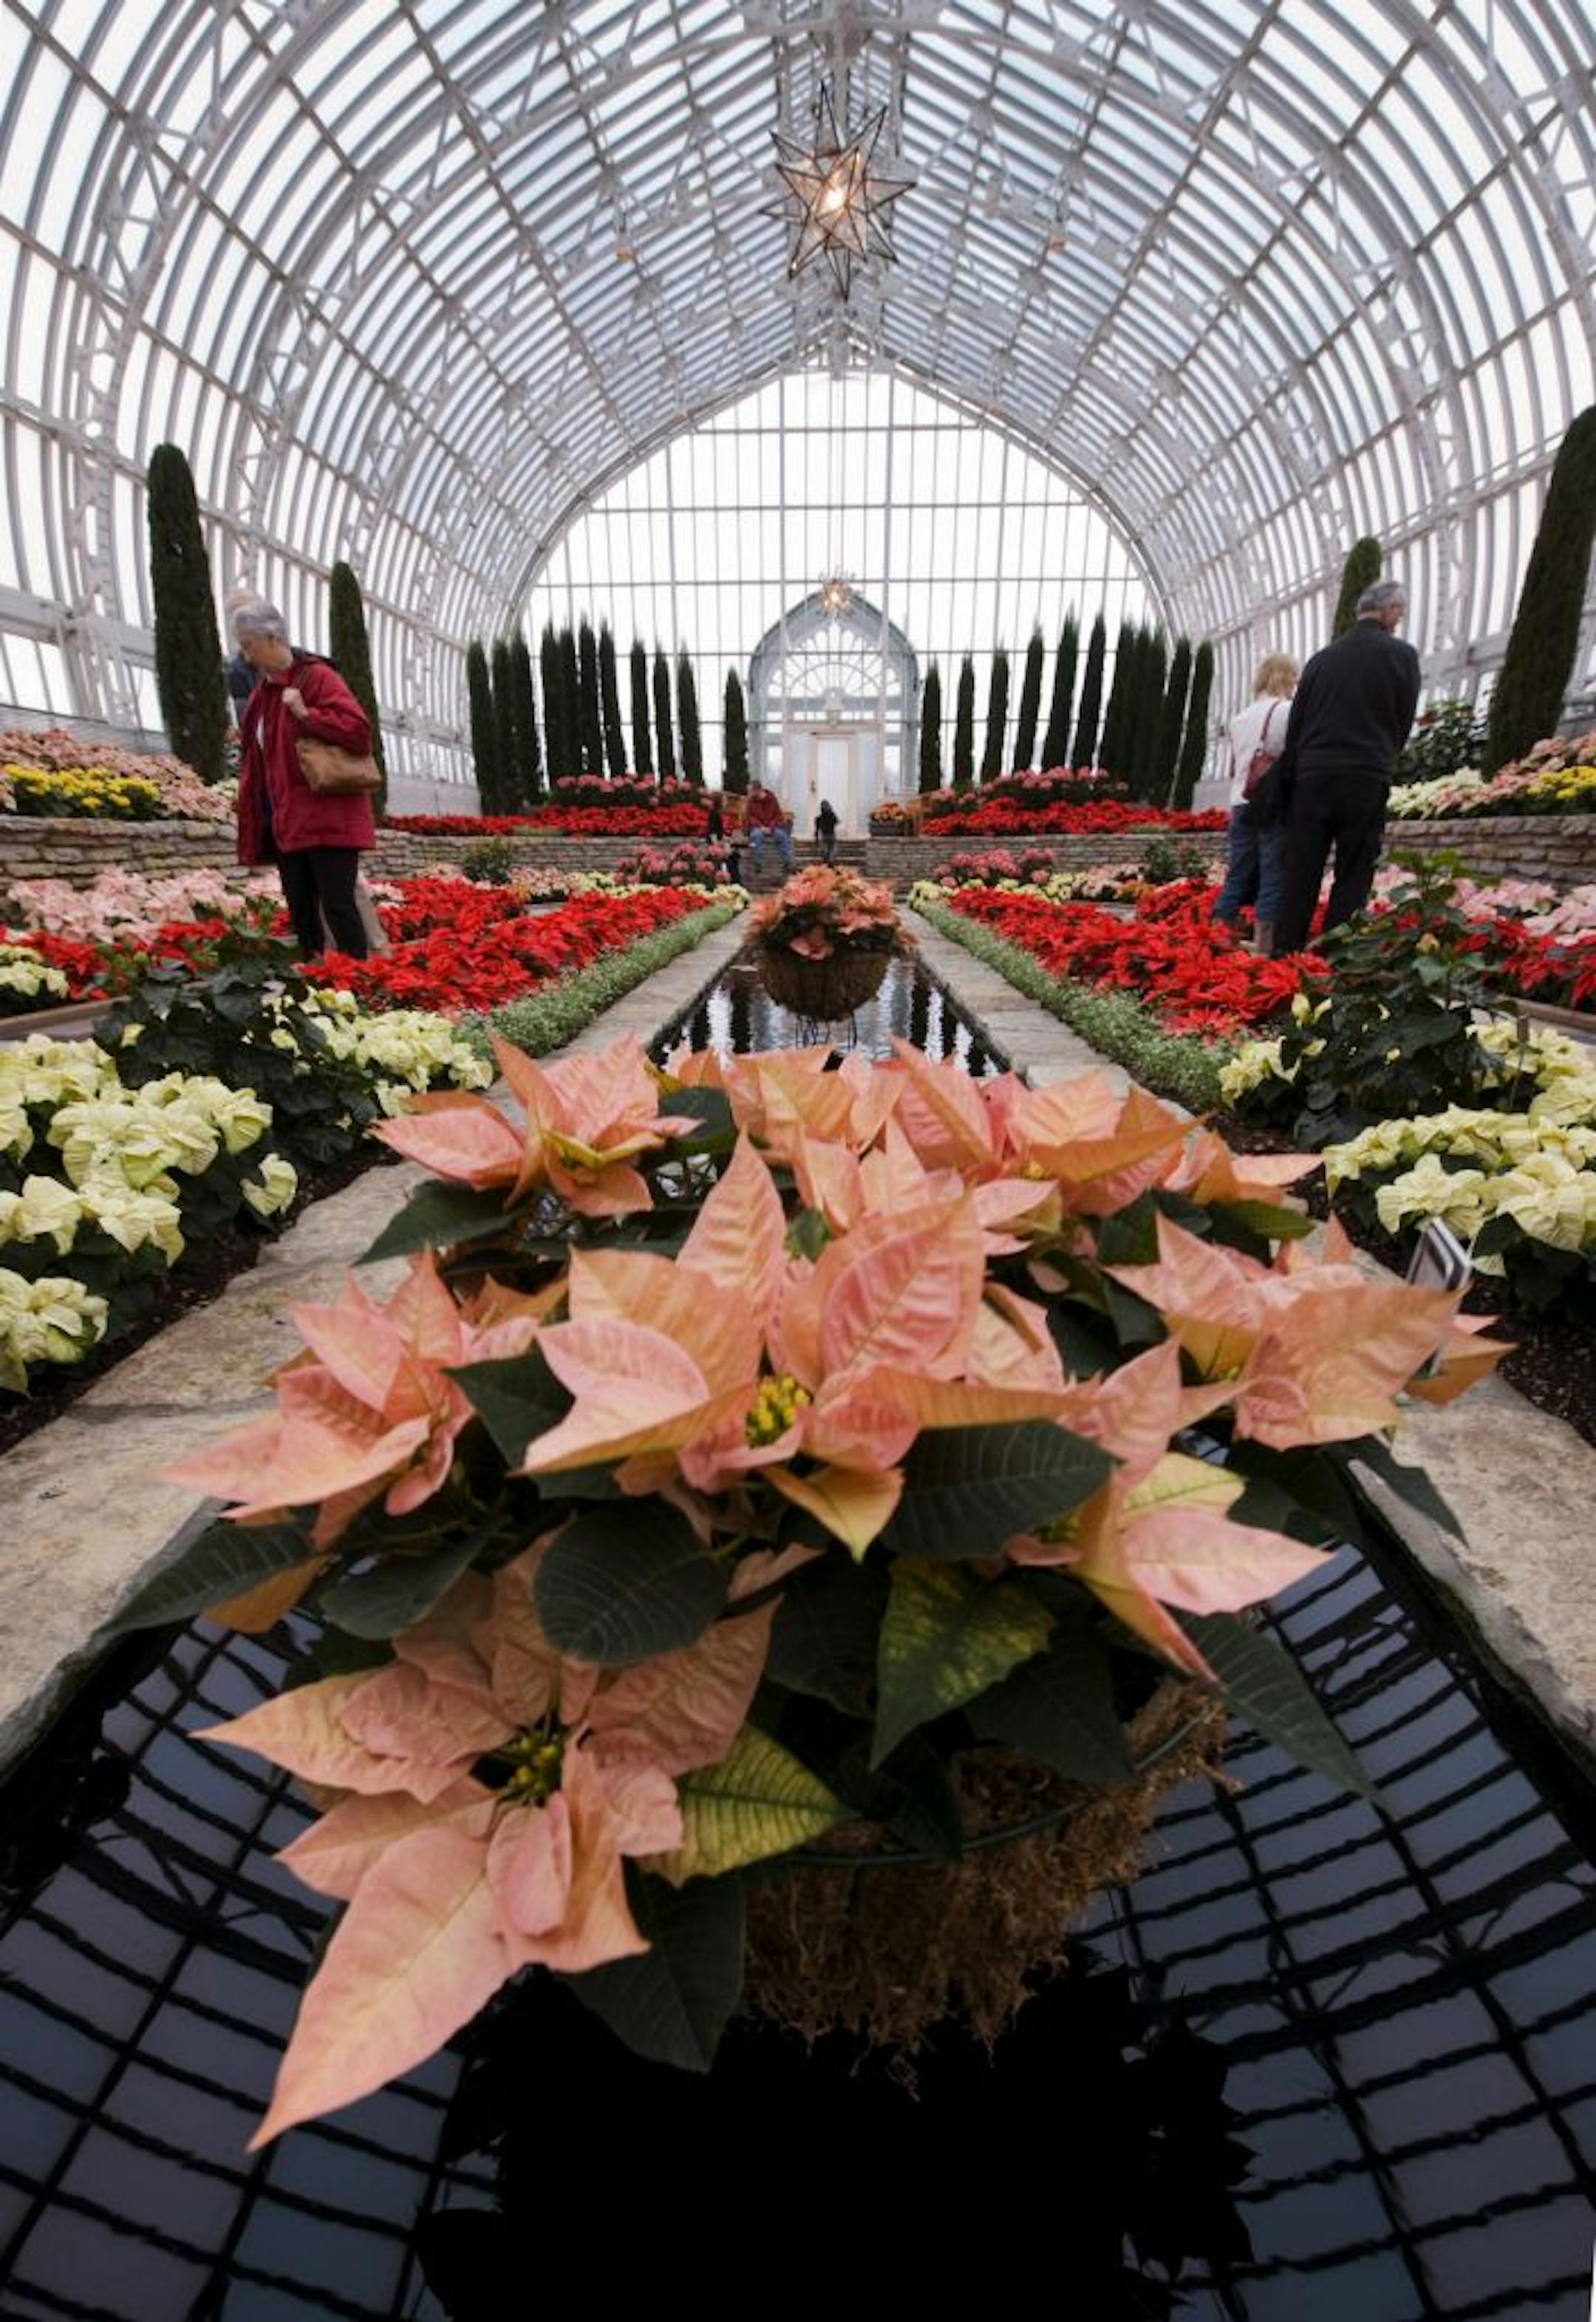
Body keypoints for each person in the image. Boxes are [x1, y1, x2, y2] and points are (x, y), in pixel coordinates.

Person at [1268, 580, 1421, 956]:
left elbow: (1297, 725)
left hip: (1313, 777)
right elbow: (1403, 719)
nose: (1399, 618)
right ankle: (1335, 958)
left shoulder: (1322, 660)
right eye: (1399, 612)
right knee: (1354, 871)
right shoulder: (1401, 656)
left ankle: (1284, 956)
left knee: (1301, 870)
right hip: (1365, 774)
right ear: (1389, 610)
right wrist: (1383, 755)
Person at [233, 599, 375, 960]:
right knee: (301, 910)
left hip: (328, 818)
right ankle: (316, 981)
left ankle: (359, 979)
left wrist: (306, 714)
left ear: (273, 638)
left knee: (338, 905)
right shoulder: (261, 697)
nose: (246, 656)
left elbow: (359, 732)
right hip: (288, 821)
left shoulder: (317, 678)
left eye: (249, 645)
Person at [1212, 653, 1297, 953]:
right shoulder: (1286, 711)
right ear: (1286, 677)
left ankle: (1216, 939)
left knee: (1238, 873)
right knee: (1273, 873)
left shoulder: (1240, 718)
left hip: (1240, 801)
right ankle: (1264, 947)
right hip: (1272, 802)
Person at [746, 780, 792, 876]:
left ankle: (787, 862)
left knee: (782, 836)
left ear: (757, 790)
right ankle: (758, 863)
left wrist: (770, 827)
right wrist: (761, 827)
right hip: (759, 827)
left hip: (772, 826)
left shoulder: (772, 799)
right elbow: (750, 817)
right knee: (756, 836)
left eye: (750, 791)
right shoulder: (751, 801)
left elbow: (777, 815)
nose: (749, 793)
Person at [815, 796, 839, 866]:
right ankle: (830, 862)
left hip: (825, 836)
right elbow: (837, 821)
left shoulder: (819, 819)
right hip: (831, 835)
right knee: (831, 850)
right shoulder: (832, 816)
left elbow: (817, 830)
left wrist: (816, 840)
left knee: (826, 850)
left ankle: (827, 862)